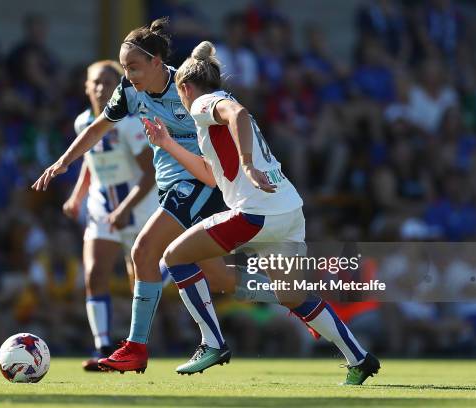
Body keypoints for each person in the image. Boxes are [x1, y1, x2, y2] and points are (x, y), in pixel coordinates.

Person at [32, 18, 279, 374]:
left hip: (201, 183)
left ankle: (136, 348)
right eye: (125, 66)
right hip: (173, 186)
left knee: (144, 251)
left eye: (134, 66)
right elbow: (99, 125)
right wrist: (63, 161)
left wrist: (248, 165)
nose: (128, 73)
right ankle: (293, 297)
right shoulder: (130, 91)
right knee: (221, 277)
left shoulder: (188, 87)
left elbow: (234, 118)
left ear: (157, 62)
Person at [142, 41, 380, 384]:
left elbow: (235, 114)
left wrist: (248, 164)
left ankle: (212, 343)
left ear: (185, 87)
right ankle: (359, 357)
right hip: (288, 210)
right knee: (292, 295)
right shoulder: (217, 114)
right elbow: (212, 175)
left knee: (176, 257)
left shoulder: (204, 103)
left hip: (255, 213)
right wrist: (168, 144)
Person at [61, 59, 159, 371]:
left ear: (121, 88)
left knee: (140, 280)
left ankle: (133, 346)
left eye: (109, 82)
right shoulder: (83, 123)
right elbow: (92, 160)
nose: (101, 87)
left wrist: (125, 209)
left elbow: (150, 173)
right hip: (102, 205)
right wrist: (78, 195)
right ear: (86, 87)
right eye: (96, 81)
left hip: (140, 205)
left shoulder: (130, 124)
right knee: (94, 273)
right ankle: (103, 347)